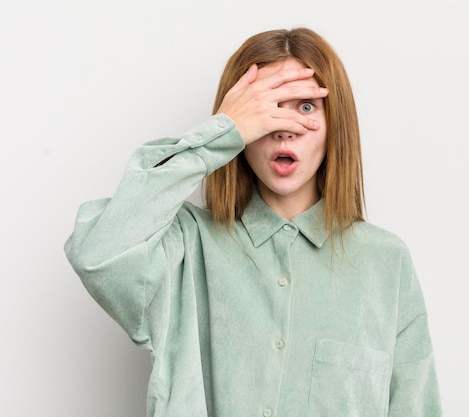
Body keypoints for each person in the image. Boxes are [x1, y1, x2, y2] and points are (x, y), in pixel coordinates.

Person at [64, 27, 441, 417]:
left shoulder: (385, 261)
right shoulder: (184, 245)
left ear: (334, 125)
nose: (285, 126)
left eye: (306, 107)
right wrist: (222, 132)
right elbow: (98, 253)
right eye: (268, 107)